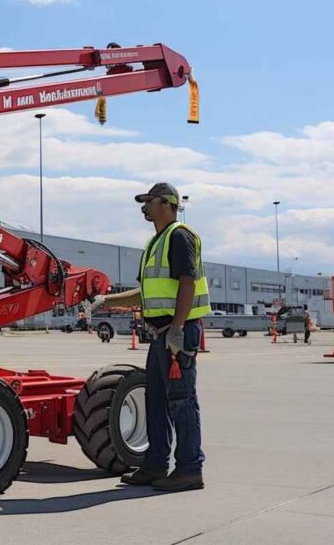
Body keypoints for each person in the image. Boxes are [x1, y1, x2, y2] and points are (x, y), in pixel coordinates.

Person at [119, 183, 209, 491]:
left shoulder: (179, 236)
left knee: (181, 401)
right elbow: (146, 293)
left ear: (167, 204)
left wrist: (177, 328)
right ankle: (156, 464)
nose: (144, 206)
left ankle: (189, 468)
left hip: (176, 333)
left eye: (149, 201)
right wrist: (105, 301)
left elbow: (188, 282)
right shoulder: (153, 243)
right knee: (155, 400)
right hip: (160, 335)